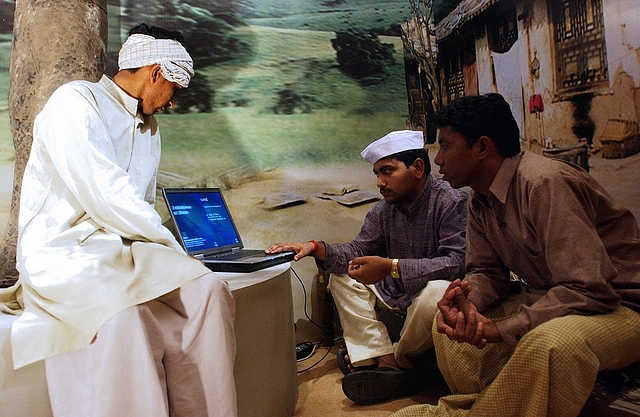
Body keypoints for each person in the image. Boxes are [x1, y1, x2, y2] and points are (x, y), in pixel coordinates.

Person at [1, 24, 237, 416]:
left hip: (125, 250)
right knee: (124, 316)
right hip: (65, 251)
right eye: (174, 91)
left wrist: (178, 261)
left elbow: (140, 202)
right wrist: (173, 249)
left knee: (208, 290)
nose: (172, 103)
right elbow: (106, 191)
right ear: (155, 73)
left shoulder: (149, 128)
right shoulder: (75, 102)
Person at [390, 93, 640, 417]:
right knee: (450, 328)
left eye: (446, 146)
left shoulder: (543, 184)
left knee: (551, 344)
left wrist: (501, 329)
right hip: (556, 298)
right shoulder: (478, 198)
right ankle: (494, 405)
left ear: (481, 147)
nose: (438, 160)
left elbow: (589, 288)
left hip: (619, 306)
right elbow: (485, 271)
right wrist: (469, 302)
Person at [266, 130, 468, 405]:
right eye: (377, 174)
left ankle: (394, 361)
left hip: (428, 301)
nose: (380, 183)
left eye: (387, 171)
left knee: (438, 292)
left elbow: (456, 262)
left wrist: (391, 267)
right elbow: (357, 251)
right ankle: (378, 353)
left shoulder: (451, 201)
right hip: (396, 296)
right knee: (341, 276)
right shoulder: (383, 211)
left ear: (418, 168)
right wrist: (316, 247)